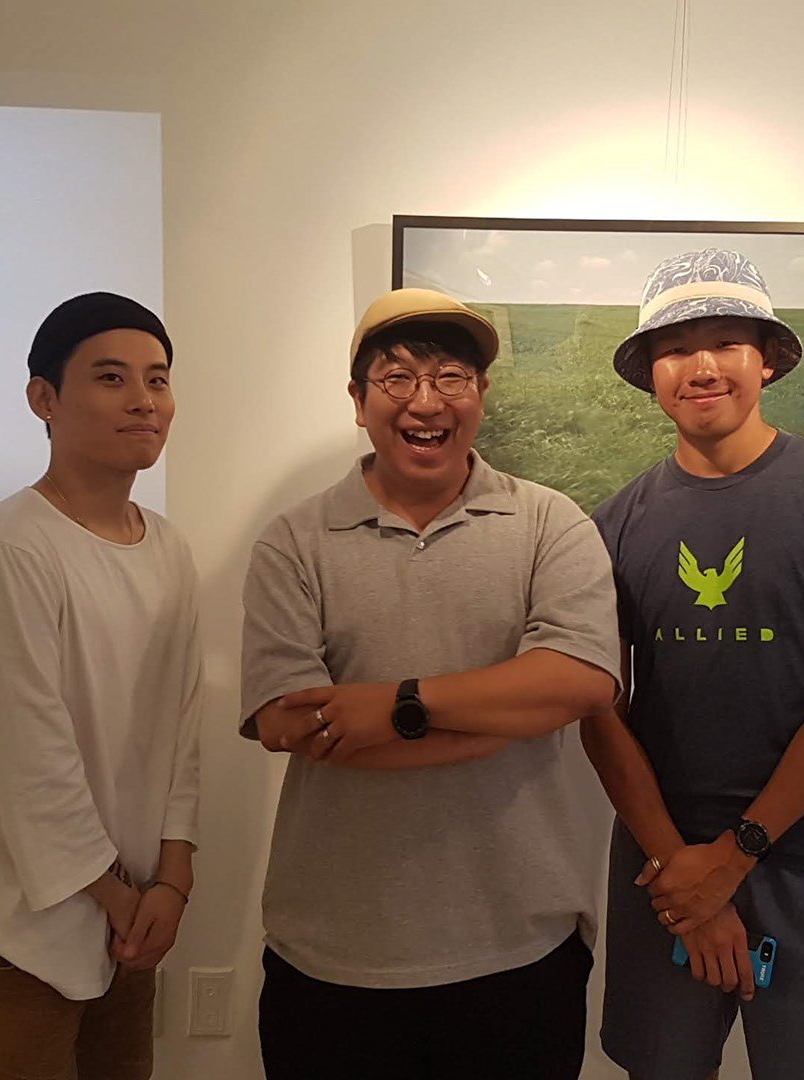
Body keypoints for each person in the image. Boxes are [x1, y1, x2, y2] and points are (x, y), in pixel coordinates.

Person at [241, 288, 621, 1078]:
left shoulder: (552, 524)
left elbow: (581, 682)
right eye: (397, 377)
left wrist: (396, 706)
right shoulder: (294, 541)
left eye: (451, 377)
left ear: (481, 395)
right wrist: (502, 717)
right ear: (358, 401)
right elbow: (290, 724)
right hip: (332, 957)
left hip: (521, 950)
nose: (426, 401)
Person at [584, 249, 804, 1079]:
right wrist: (682, 875)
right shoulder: (614, 523)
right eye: (675, 348)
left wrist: (732, 858)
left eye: (726, 342)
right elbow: (600, 711)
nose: (701, 367)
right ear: (651, 374)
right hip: (662, 863)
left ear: (766, 359)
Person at [0, 292, 202, 1080]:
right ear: (44, 398)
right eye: (111, 377)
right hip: (14, 927)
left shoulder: (168, 549)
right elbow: (30, 762)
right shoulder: (9, 550)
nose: (143, 399)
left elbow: (182, 729)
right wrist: (120, 897)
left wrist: (173, 880)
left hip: (131, 916)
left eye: (158, 379)